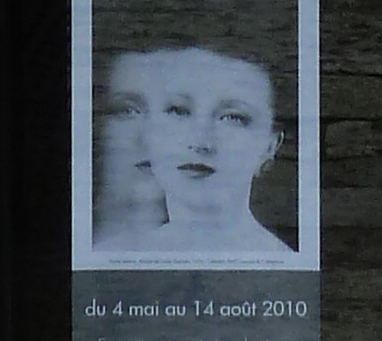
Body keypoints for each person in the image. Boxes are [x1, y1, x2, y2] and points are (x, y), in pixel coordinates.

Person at [88, 40, 291, 261]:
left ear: (271, 145)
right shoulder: (110, 256)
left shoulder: (283, 264)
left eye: (233, 118)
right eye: (179, 111)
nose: (199, 142)